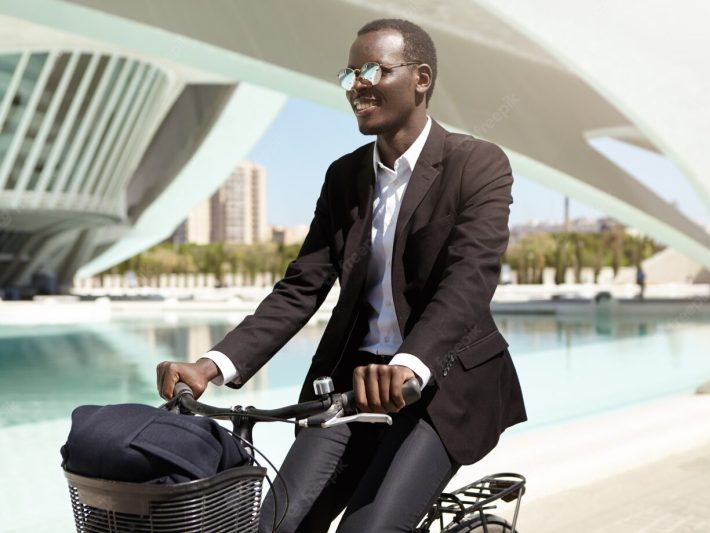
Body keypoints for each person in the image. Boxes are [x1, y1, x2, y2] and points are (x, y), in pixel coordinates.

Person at [157, 18, 526, 532]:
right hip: (348, 387)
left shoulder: (477, 163)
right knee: (276, 527)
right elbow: (300, 288)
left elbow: (468, 280)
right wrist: (211, 365)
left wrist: (409, 365)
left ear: (422, 78)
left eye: (373, 69)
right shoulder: (344, 177)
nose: (356, 85)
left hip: (438, 383)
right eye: (349, 73)